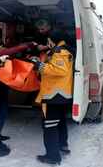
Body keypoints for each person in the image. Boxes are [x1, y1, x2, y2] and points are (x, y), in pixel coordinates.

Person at [33, 31, 74, 165]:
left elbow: (60, 71)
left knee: (50, 126)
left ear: (54, 40)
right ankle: (62, 146)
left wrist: (39, 65)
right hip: (60, 95)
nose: (47, 43)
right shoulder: (61, 51)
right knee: (60, 123)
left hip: (54, 96)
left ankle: (53, 157)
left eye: (48, 40)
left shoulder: (59, 52)